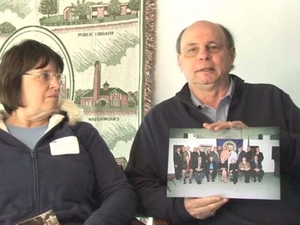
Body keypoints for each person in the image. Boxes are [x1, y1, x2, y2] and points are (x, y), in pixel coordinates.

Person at [125, 20, 300, 224]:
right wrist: (180, 207)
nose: (203, 55)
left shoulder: (271, 98)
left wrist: (266, 142)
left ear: (231, 54)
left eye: (213, 47)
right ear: (180, 61)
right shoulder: (160, 118)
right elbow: (136, 188)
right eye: (192, 50)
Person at [0, 39, 136, 224]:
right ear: (14, 79)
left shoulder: (81, 133)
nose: (56, 84)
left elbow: (120, 192)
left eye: (57, 76)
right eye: (45, 76)